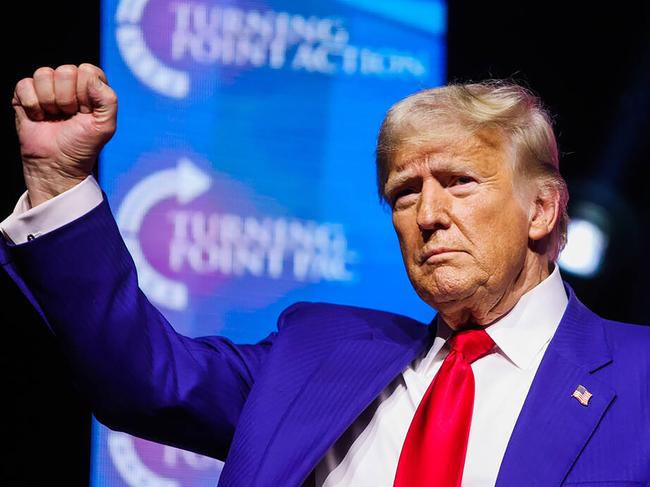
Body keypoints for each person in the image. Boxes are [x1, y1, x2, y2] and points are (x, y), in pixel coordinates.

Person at [1, 63, 649, 487]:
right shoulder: (317, 352)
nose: (427, 214)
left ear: (541, 208)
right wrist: (60, 182)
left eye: (458, 182)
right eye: (403, 192)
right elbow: (141, 378)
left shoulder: (638, 375)